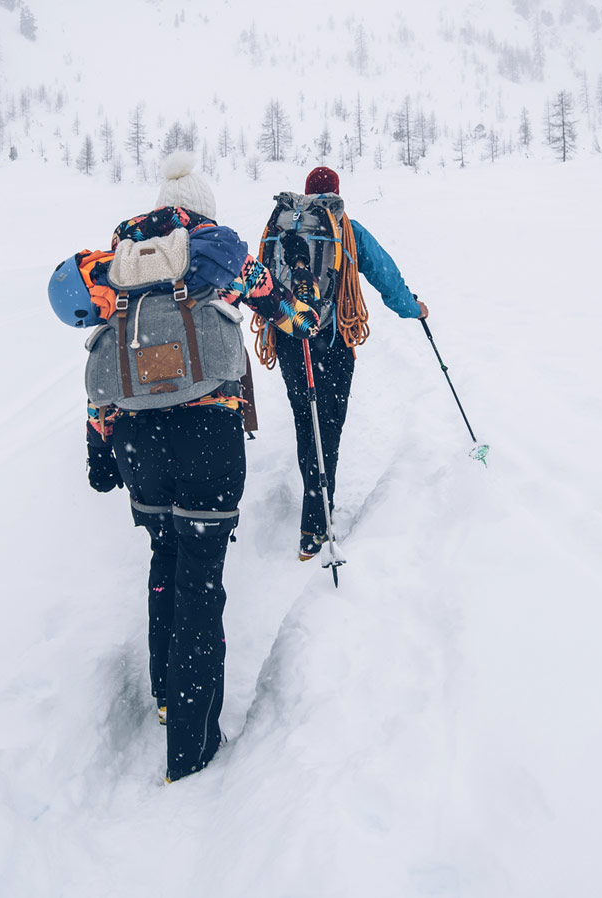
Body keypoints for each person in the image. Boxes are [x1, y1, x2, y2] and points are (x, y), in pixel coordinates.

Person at [55, 152, 317, 782]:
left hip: (139, 441)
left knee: (164, 558)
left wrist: (101, 444)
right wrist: (299, 319)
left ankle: (167, 696)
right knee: (202, 579)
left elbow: (104, 360)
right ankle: (192, 748)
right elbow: (269, 298)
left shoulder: (118, 264)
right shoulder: (217, 250)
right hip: (206, 433)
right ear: (203, 211)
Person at [254, 166, 427, 561]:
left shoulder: (280, 228)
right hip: (333, 339)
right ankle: (317, 520)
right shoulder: (346, 229)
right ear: (335, 194)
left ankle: (313, 512)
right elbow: (385, 275)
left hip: (290, 336)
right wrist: (412, 308)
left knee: (305, 419)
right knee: (328, 423)